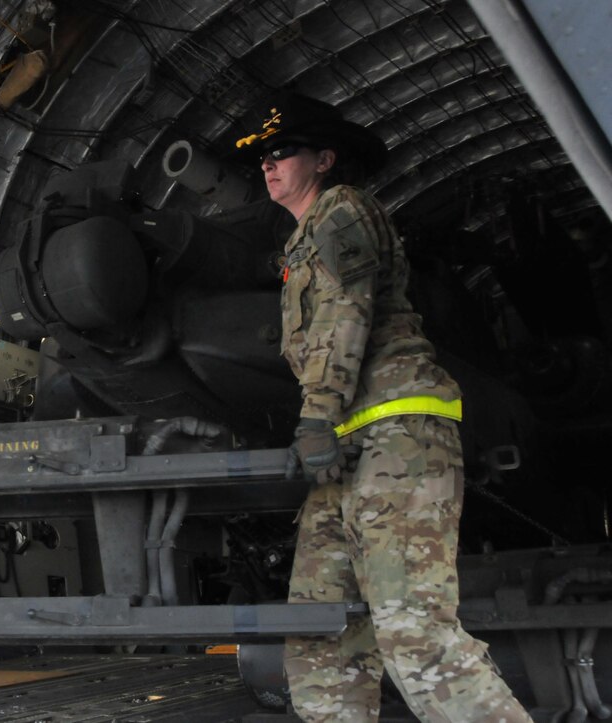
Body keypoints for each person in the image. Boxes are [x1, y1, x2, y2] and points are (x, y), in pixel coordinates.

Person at [237, 93, 532, 722]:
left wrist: (316, 412)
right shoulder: (298, 244)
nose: (268, 164)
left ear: (324, 158)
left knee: (412, 632)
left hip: (396, 433)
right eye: (262, 156)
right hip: (344, 454)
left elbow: (347, 310)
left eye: (282, 151)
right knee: (319, 636)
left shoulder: (343, 210)